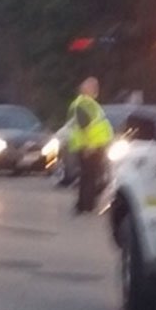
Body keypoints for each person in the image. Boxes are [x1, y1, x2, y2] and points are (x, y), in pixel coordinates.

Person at [68, 77, 114, 214]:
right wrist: (90, 146)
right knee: (89, 177)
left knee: (89, 177)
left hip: (93, 146)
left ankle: (84, 205)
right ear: (86, 89)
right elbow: (85, 127)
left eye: (96, 86)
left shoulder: (89, 104)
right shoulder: (84, 104)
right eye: (93, 86)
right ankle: (85, 205)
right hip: (90, 147)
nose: (96, 89)